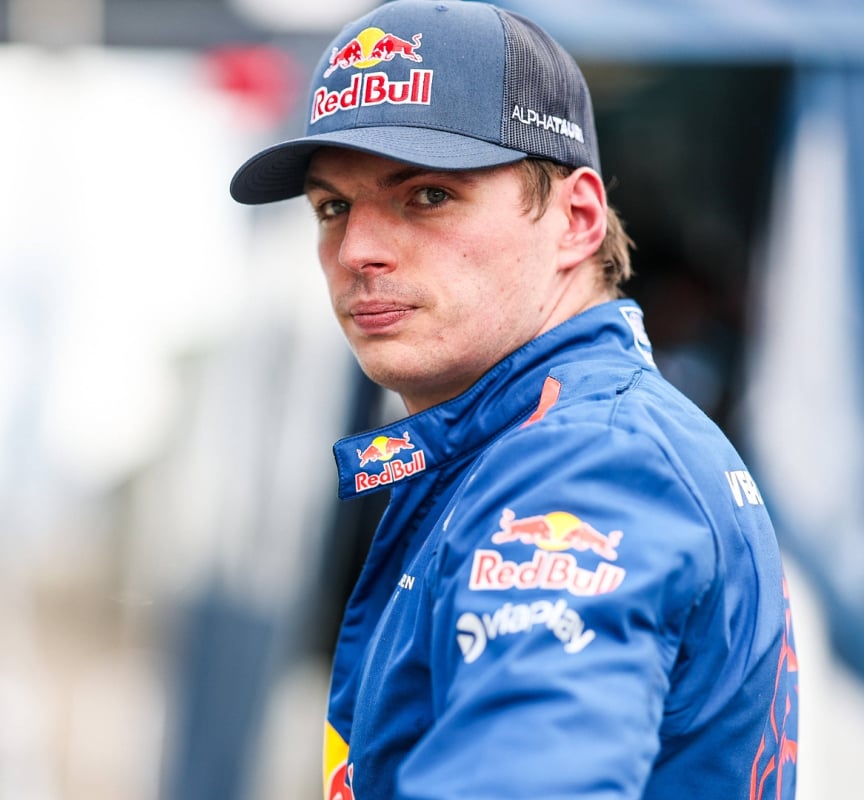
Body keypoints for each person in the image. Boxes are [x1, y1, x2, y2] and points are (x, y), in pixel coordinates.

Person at [228, 1, 799, 798]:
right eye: (333, 207)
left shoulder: (586, 461)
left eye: (426, 196)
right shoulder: (510, 447)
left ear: (577, 218)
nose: (357, 250)